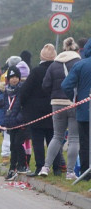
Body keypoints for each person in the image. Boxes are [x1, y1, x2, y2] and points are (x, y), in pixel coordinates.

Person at [22, 44, 63, 177]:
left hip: (36, 112)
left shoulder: (36, 71)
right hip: (54, 110)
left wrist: (23, 106)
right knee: (54, 139)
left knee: (38, 141)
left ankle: (40, 167)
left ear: (41, 56)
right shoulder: (59, 69)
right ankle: (57, 168)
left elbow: (25, 91)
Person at [43, 37, 80, 179]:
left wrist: (53, 95)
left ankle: (46, 167)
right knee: (74, 138)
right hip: (74, 103)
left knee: (57, 136)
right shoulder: (79, 63)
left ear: (63, 50)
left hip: (57, 103)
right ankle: (70, 172)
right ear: (76, 50)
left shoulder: (54, 64)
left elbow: (45, 85)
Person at [0, 66, 28, 180]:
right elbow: (2, 103)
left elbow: (24, 107)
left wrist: (19, 119)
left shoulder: (22, 90)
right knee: (12, 147)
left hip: (21, 123)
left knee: (17, 144)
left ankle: (23, 165)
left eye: (16, 77)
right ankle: (12, 168)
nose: (14, 79)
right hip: (11, 123)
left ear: (19, 78)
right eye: (12, 77)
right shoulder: (6, 91)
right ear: (8, 79)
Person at [61, 38, 91, 181]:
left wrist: (75, 99)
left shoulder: (80, 65)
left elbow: (66, 85)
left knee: (85, 143)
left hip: (84, 111)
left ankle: (86, 174)